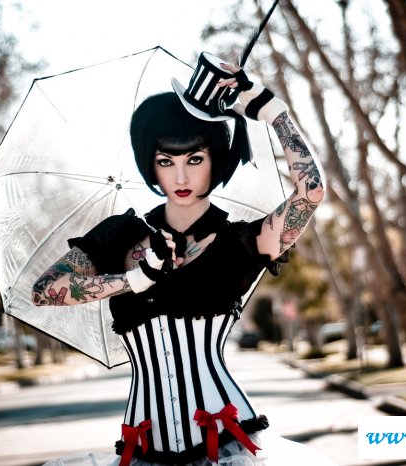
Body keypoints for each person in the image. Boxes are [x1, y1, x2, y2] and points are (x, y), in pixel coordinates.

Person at [32, 52, 336, 466]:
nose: (180, 177)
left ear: (215, 160)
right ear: (151, 165)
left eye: (194, 159)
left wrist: (272, 111)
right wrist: (135, 279)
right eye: (165, 161)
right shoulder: (120, 236)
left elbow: (311, 192)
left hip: (226, 443)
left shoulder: (239, 243)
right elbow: (44, 290)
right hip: (144, 447)